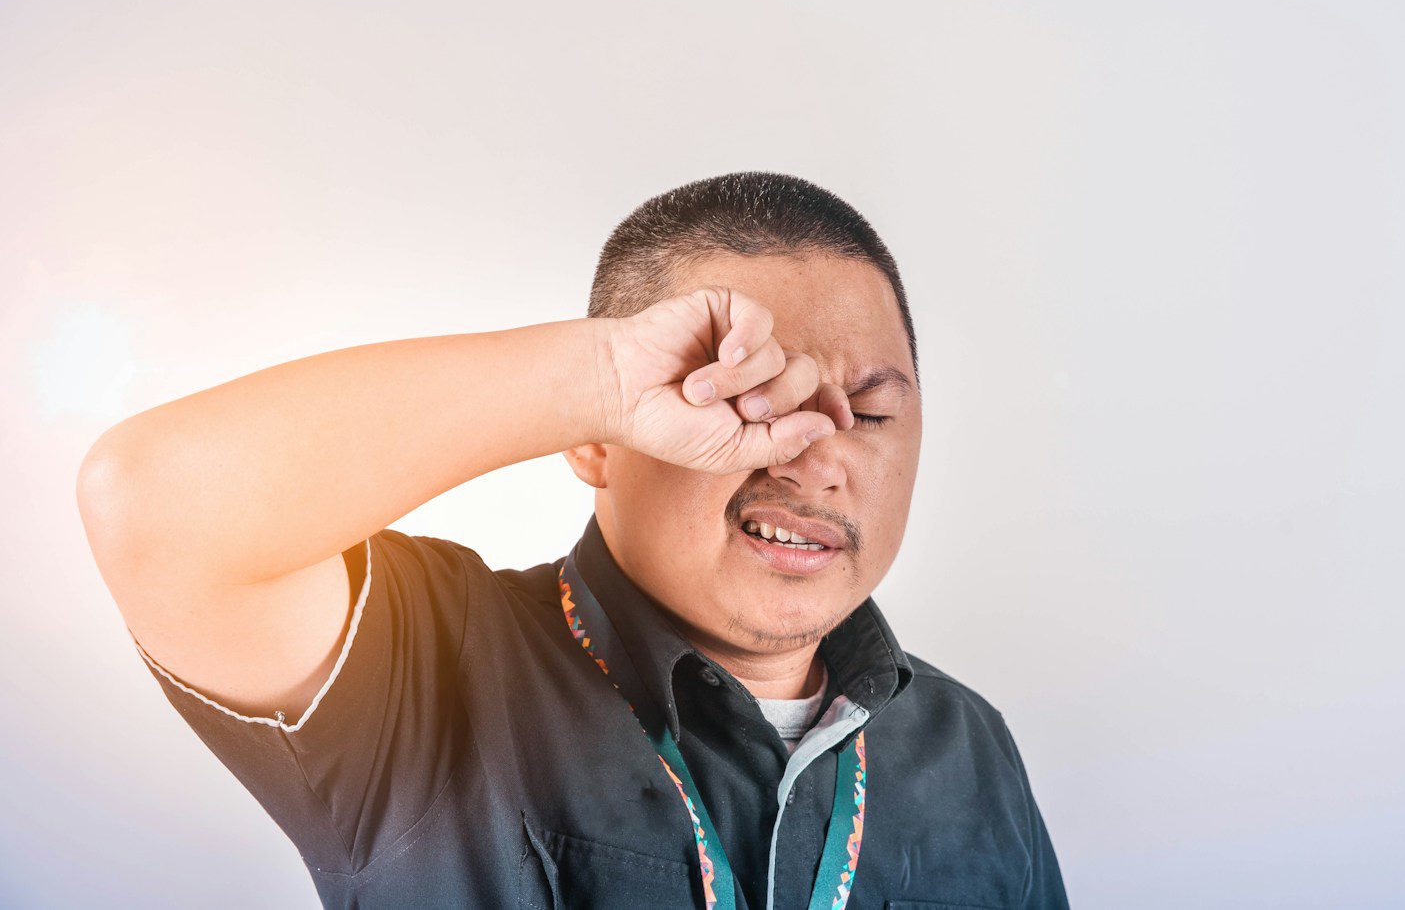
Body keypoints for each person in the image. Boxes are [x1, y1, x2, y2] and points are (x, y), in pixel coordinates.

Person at [77, 171, 1071, 909]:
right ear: (599, 441)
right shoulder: (428, 669)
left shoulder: (966, 746)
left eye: (869, 413)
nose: (812, 458)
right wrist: (598, 378)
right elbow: (150, 505)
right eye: (746, 400)